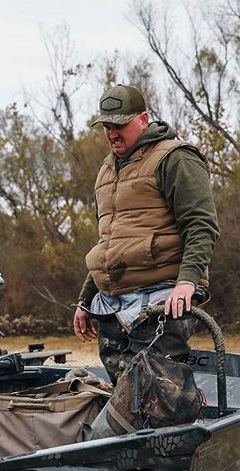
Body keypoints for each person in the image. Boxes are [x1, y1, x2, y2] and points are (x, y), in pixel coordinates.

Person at [73, 84, 219, 385]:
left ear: (143, 119)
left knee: (156, 394)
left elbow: (201, 226)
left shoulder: (175, 158)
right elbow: (110, 243)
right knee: (124, 398)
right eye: (107, 126)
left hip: (163, 297)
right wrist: (85, 300)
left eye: (120, 125)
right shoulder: (107, 171)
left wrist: (186, 283)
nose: (113, 133)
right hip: (114, 305)